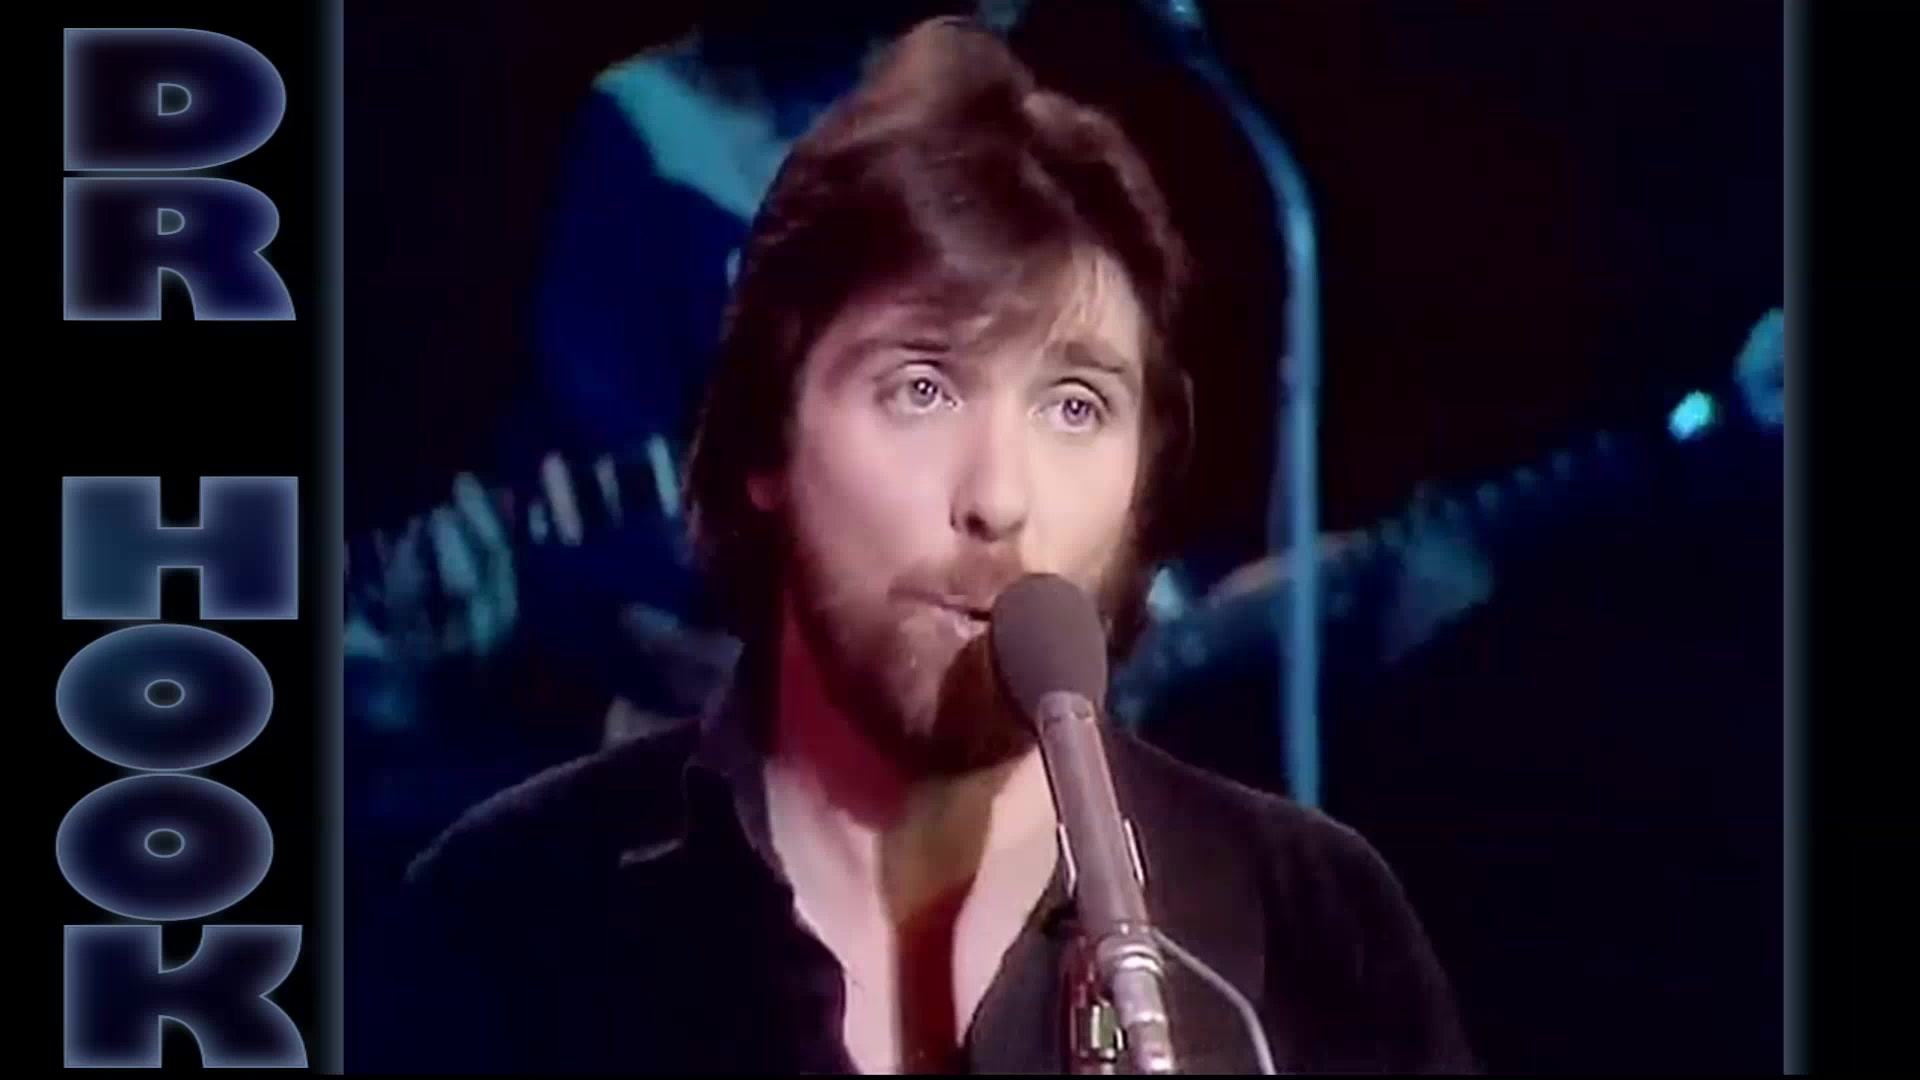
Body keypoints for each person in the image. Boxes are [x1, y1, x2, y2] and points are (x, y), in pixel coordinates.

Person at [386, 18, 1473, 1074]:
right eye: (921, 390)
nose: (998, 497)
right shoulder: (503, 925)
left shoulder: (1322, 925)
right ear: (765, 439)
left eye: (1075, 407)